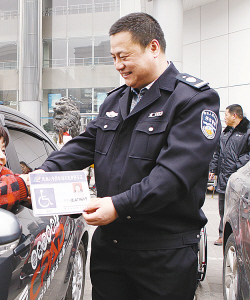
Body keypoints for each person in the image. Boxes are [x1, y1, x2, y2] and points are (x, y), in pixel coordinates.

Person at [32, 12, 220, 300]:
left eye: (124, 56)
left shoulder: (192, 99)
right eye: (113, 57)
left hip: (162, 254)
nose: (118, 65)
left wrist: (118, 205)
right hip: (111, 251)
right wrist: (47, 169)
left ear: (153, 47)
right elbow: (86, 143)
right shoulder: (116, 99)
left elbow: (173, 176)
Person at [209, 104, 250, 246]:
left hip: (239, 180)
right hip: (223, 177)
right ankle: (222, 235)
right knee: (223, 209)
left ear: (234, 115)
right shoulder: (225, 133)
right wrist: (213, 169)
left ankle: (240, 237)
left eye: (226, 115)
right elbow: (217, 152)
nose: (224, 118)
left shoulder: (247, 132)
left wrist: (237, 165)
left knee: (238, 210)